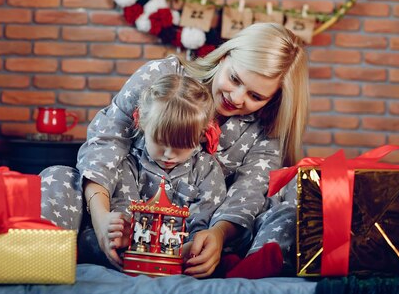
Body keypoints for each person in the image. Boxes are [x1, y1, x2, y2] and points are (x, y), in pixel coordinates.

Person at [40, 22, 309, 278]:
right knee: (59, 178)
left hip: (201, 230)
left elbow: (250, 191)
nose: (237, 98)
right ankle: (50, 252)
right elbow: (107, 141)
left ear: (274, 99)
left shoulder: (266, 128)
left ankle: (248, 268)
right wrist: (101, 218)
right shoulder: (163, 76)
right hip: (122, 213)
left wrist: (217, 234)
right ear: (224, 57)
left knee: (291, 203)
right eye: (235, 78)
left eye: (256, 96)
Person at [78, 74, 227, 268]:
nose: (168, 155)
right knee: (88, 239)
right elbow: (123, 206)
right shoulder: (129, 162)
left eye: (181, 146)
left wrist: (192, 244)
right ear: (142, 124)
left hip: (183, 247)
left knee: (219, 250)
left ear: (200, 135)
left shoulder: (206, 168)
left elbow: (205, 215)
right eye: (160, 143)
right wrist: (121, 231)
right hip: (135, 243)